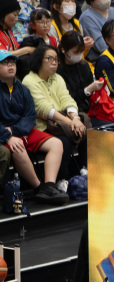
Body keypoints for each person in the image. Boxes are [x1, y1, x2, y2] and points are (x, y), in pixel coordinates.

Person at [0, 49, 68, 204]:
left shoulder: (22, 89)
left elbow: (30, 116)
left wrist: (15, 131)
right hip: (4, 135)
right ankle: (39, 188)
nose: (10, 65)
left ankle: (49, 185)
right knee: (18, 147)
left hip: (20, 130)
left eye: (12, 62)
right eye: (5, 63)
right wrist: (8, 137)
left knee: (56, 143)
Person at [23, 41, 86, 175]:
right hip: (42, 125)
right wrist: (71, 122)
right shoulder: (29, 81)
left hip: (61, 123)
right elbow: (44, 109)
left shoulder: (57, 78)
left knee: (86, 133)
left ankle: (84, 171)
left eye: (56, 59)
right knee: (64, 142)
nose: (54, 62)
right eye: (49, 58)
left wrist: (75, 118)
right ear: (39, 60)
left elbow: (67, 99)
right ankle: (62, 179)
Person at [57, 30, 106, 125]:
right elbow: (68, 98)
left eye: (81, 51)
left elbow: (91, 94)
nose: (79, 54)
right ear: (63, 50)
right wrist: (87, 90)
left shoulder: (84, 65)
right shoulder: (58, 71)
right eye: (76, 52)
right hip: (73, 112)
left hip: (90, 109)